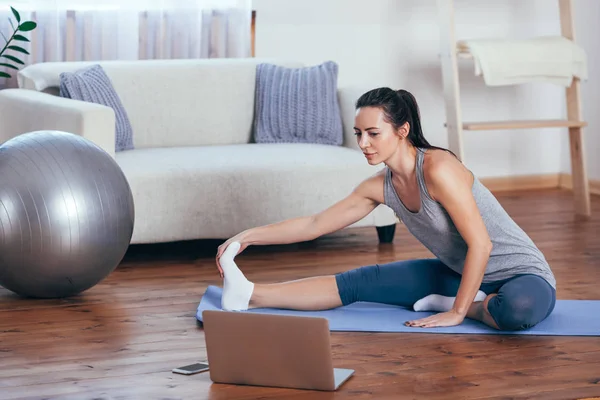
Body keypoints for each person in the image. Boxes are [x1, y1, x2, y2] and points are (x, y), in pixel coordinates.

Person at [214, 87, 556, 331]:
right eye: (359, 133)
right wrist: (246, 237)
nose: (363, 144)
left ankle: (471, 307)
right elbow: (315, 225)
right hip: (458, 273)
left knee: (515, 310)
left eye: (373, 133)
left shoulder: (439, 169)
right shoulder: (379, 186)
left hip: (521, 275)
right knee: (361, 282)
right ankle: (252, 295)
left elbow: (482, 244)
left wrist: (456, 311)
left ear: (402, 131)